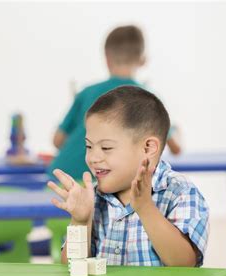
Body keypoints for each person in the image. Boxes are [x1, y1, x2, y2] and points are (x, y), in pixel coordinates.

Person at [48, 86, 209, 267]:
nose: (92, 158)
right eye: (89, 146)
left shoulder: (180, 192)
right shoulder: (92, 198)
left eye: (106, 148)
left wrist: (146, 208)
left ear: (148, 148)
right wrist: (80, 221)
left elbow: (185, 263)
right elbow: (71, 268)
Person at [48, 25, 181, 180]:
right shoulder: (149, 99)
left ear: (106, 58)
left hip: (60, 179)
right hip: (102, 188)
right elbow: (175, 148)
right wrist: (177, 132)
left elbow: (57, 141)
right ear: (143, 60)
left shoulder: (87, 92)